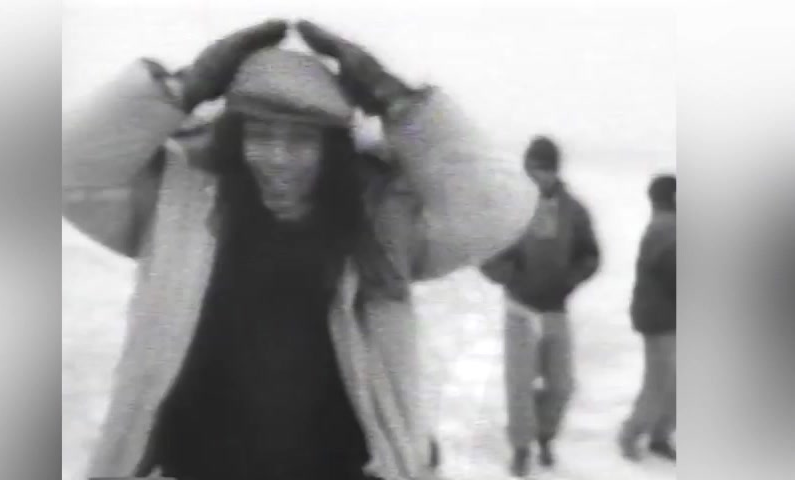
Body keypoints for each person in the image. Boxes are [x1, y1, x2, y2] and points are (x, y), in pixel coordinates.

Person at [63, 19, 538, 480]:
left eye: (301, 138)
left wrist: (400, 103)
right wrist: (181, 89)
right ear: (234, 139)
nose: (277, 157)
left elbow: (496, 209)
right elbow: (66, 170)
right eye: (260, 134)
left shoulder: (380, 223)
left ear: (333, 149)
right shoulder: (178, 208)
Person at [480, 136, 600, 477]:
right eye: (532, 169)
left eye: (543, 169)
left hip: (555, 310)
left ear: (555, 171)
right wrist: (510, 274)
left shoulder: (574, 211)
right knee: (519, 384)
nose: (537, 176)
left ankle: (545, 434)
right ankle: (521, 447)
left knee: (561, 385)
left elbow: (591, 254)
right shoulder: (510, 207)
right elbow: (486, 252)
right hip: (520, 309)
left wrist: (571, 279)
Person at [618, 174, 676, 462]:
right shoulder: (664, 229)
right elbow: (672, 272)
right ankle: (630, 434)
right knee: (659, 384)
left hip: (669, 316)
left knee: (675, 382)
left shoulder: (667, 226)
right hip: (660, 319)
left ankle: (660, 435)